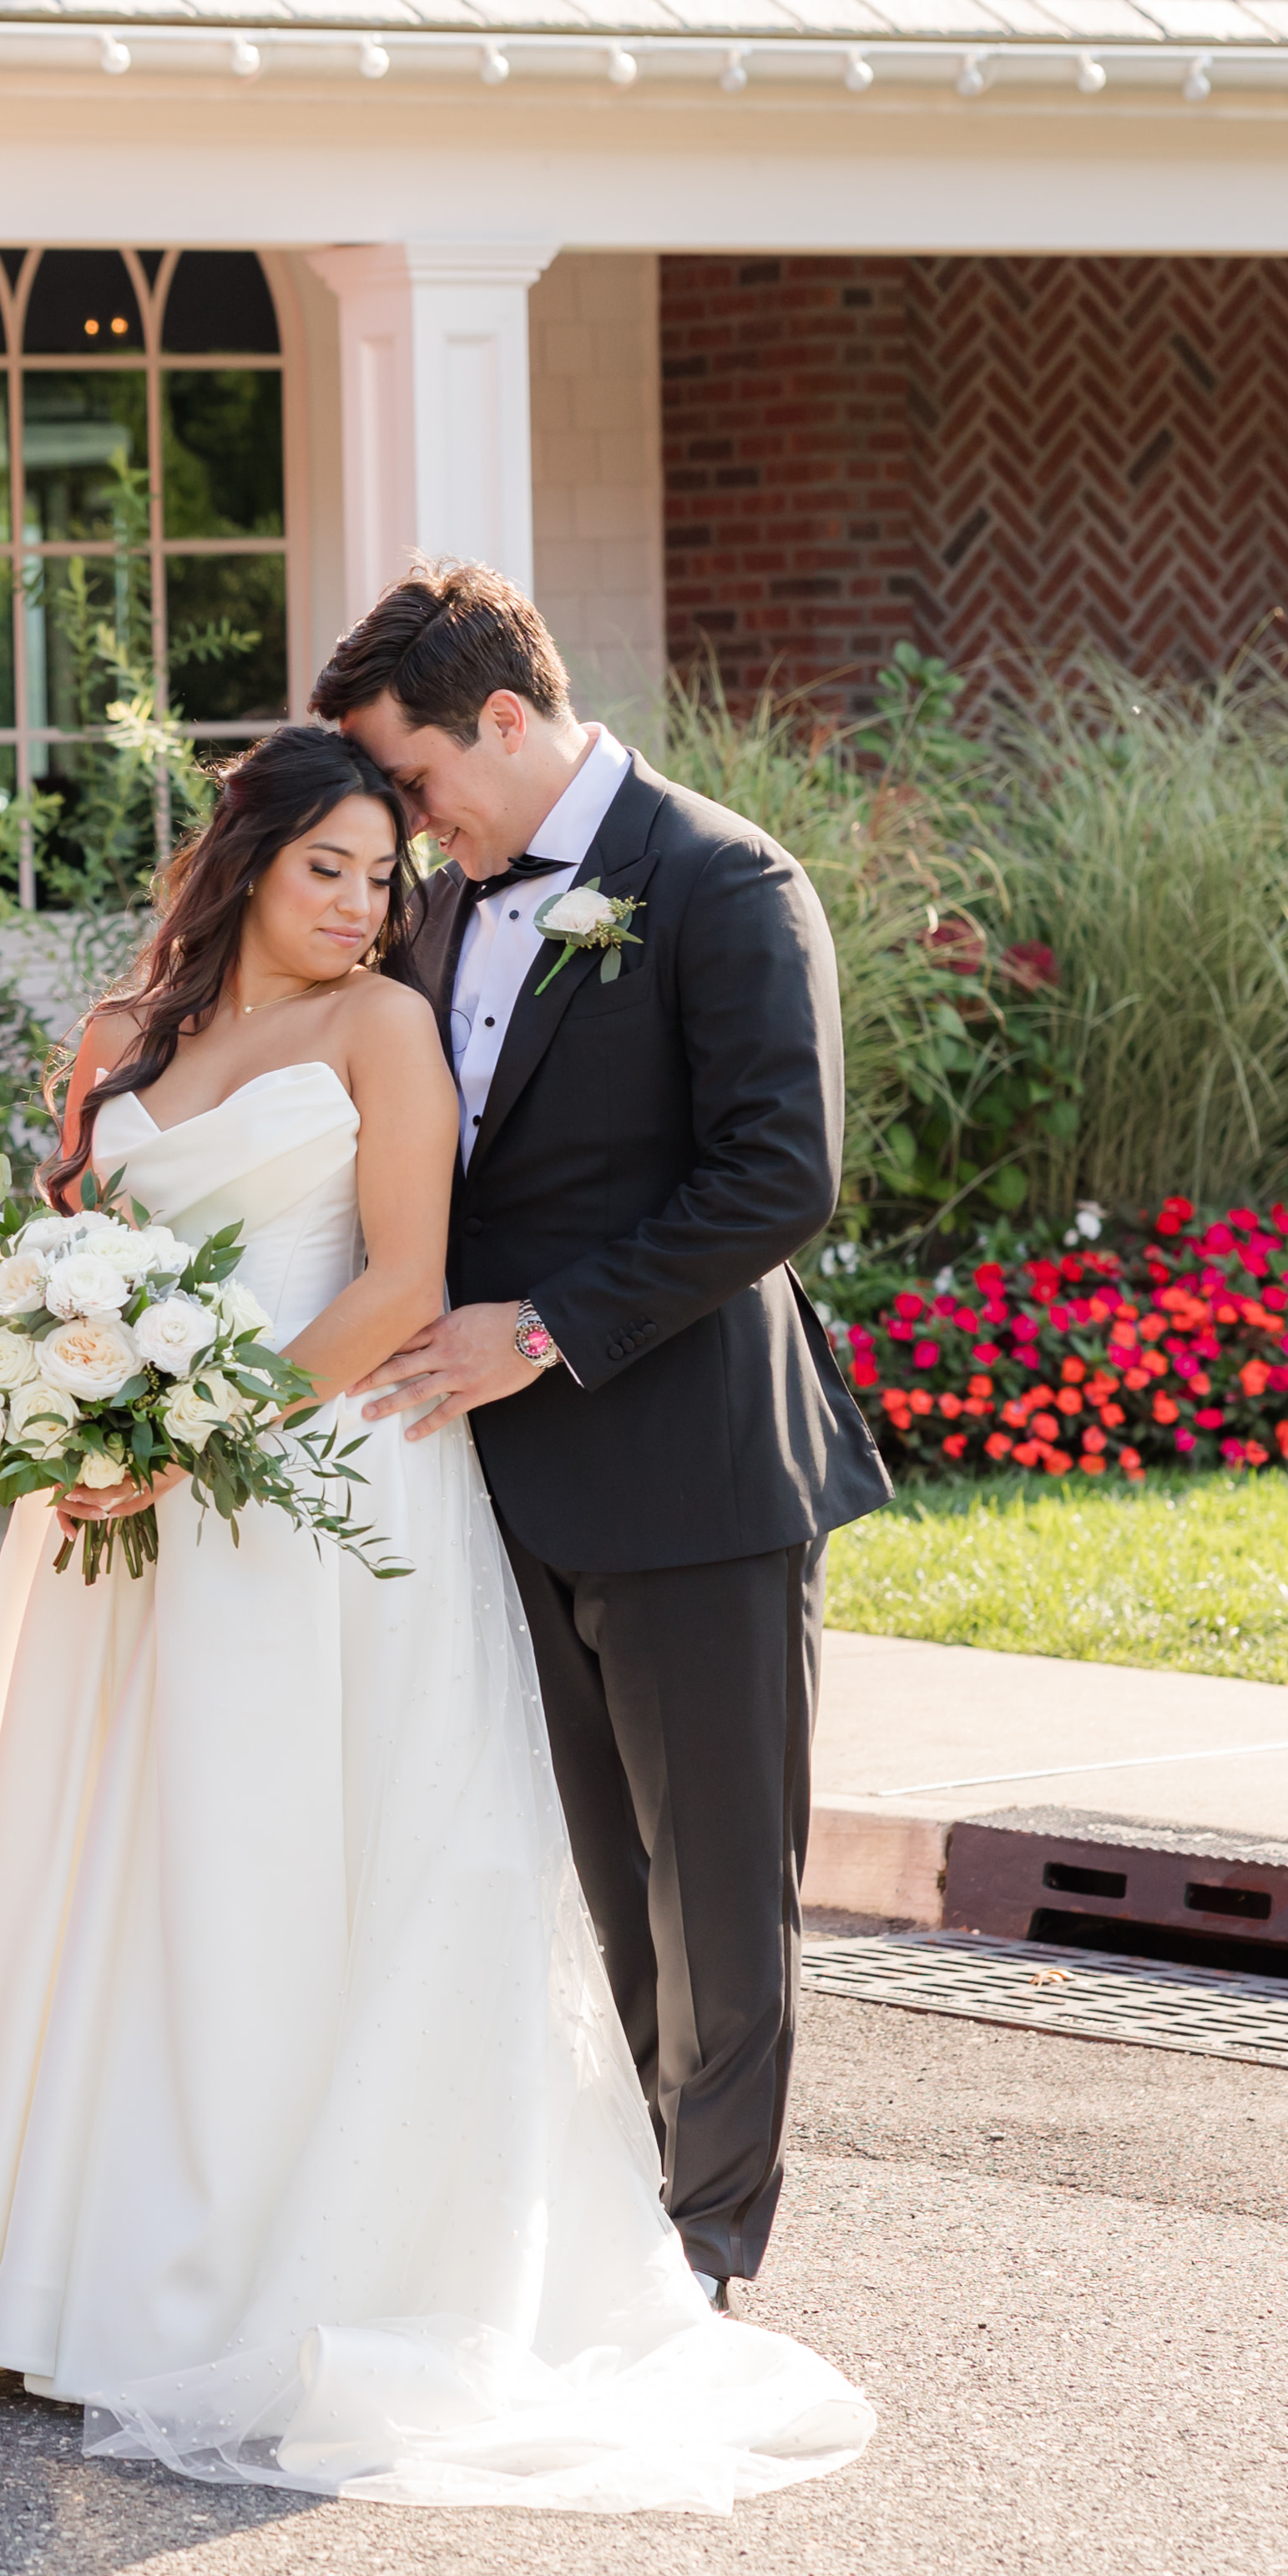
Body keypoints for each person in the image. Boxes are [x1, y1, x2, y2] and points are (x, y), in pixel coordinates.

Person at [0, 720, 872, 2513]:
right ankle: (46, 2267)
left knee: (281, 1864)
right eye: (324, 865)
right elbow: (66, 1255)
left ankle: (252, 2270)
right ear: (243, 856)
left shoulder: (381, 1031)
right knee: (104, 1865)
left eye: (380, 876)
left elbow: (401, 1280)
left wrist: (188, 1433)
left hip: (317, 1489)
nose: (355, 903)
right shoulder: (111, 1041)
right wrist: (50, 1389)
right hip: (127, 1516)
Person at [331, 559, 895, 2309]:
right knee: (599, 1871)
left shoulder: (724, 882)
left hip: (698, 1472)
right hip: (505, 1490)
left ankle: (706, 2255)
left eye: (416, 780)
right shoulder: (437, 912)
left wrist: (554, 1325)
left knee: (719, 1898)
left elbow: (775, 1178)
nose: (407, 826)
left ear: (502, 719)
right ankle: (639, 2217)